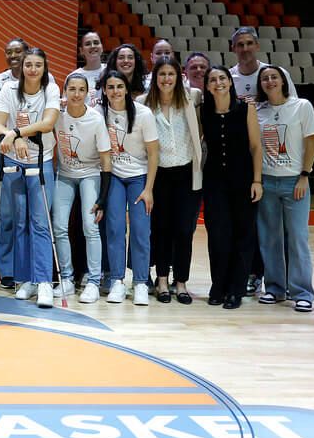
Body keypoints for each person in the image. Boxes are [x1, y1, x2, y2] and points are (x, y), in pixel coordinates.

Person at [228, 27, 297, 297]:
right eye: (239, 44)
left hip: (271, 158)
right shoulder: (230, 78)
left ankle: (288, 280)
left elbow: (290, 112)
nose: (244, 49)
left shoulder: (273, 74)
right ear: (233, 48)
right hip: (240, 159)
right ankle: (254, 274)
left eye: (249, 43)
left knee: (282, 227)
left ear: (256, 45)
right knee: (251, 223)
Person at [0, 48, 60, 307]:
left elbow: (48, 123)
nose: (32, 69)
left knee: (40, 222)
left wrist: (17, 133)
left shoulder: (50, 88)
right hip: (14, 162)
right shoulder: (9, 89)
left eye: (38, 65)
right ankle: (25, 280)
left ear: (44, 68)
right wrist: (11, 135)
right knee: (20, 221)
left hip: (41, 162)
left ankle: (43, 282)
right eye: (28, 64)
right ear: (21, 67)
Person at [255, 65, 314, 312]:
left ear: (283, 81)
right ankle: (274, 288)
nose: (269, 81)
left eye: (274, 77)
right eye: (265, 78)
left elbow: (311, 142)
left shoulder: (302, 106)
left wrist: (305, 174)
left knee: (298, 238)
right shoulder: (258, 111)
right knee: (270, 238)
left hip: (294, 181)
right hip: (267, 181)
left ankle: (302, 291)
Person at [143, 57, 203, 304]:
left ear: (179, 77)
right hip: (160, 175)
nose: (167, 79)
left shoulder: (191, 99)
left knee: (184, 230)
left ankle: (181, 281)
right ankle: (162, 280)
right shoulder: (144, 105)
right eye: (162, 74)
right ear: (155, 78)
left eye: (171, 74)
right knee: (161, 229)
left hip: (187, 173)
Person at [202, 66, 262, 309]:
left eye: (222, 78)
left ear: (230, 81)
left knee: (243, 235)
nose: (218, 83)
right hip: (214, 180)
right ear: (207, 86)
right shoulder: (203, 111)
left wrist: (257, 180)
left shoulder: (246, 108)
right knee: (218, 235)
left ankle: (236, 290)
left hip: (243, 180)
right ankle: (218, 286)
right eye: (213, 80)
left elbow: (256, 147)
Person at [100, 70, 159, 305]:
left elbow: (154, 154)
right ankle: (117, 281)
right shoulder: (98, 113)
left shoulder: (143, 114)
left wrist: (149, 189)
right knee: (114, 228)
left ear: (126, 89)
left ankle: (141, 283)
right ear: (104, 90)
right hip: (113, 176)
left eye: (119, 86)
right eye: (110, 87)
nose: (115, 91)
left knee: (140, 230)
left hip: (139, 177)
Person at [53, 74, 111, 304]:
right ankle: (66, 278)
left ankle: (94, 282)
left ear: (88, 93)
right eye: (72, 89)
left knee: (90, 226)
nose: (76, 95)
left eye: (81, 90)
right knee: (58, 225)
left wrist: (103, 197)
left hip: (90, 174)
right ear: (64, 91)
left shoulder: (95, 119)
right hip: (65, 175)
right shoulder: (57, 116)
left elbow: (106, 159)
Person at [0, 37, 31, 290]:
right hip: (7, 152)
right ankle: (6, 270)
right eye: (9, 52)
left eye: (19, 51)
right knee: (6, 215)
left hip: (35, 153)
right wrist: (14, 138)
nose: (14, 56)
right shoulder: (0, 82)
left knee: (27, 217)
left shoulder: (40, 78)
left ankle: (25, 269)